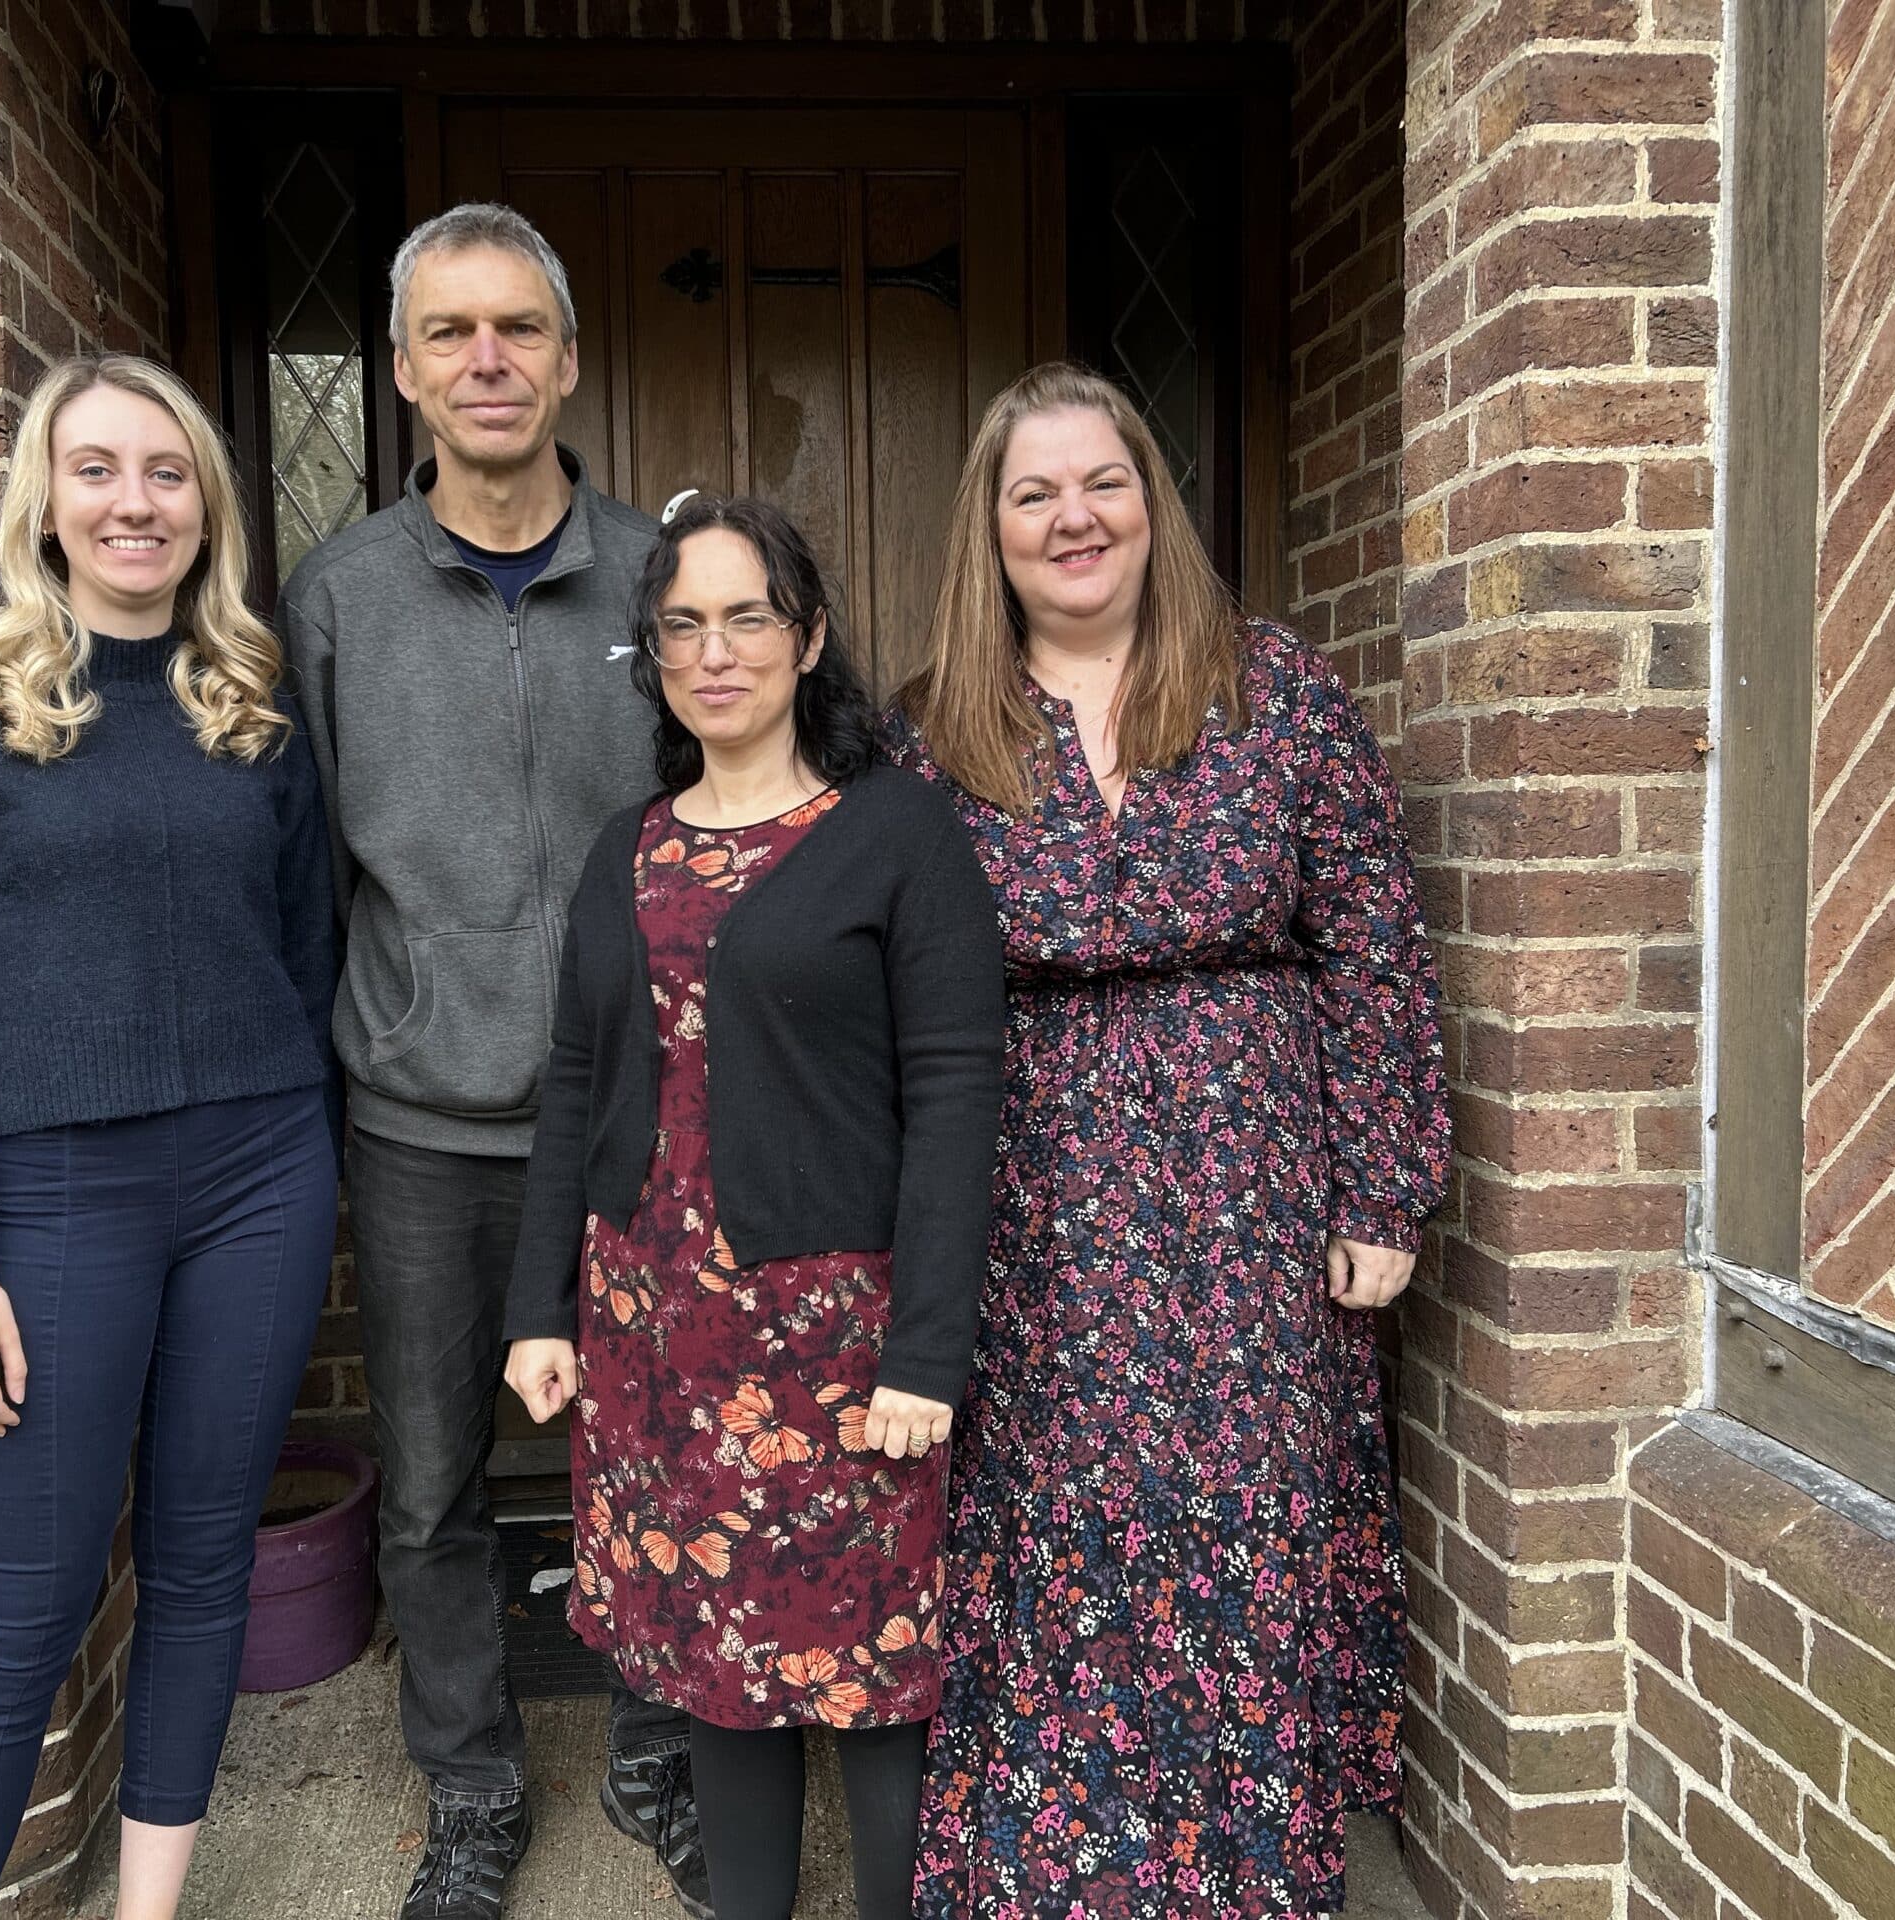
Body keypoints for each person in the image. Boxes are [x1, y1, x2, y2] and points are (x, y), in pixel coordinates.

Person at [886, 363, 1452, 1920]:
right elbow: (866, 975)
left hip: (1252, 1182)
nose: (1076, 516)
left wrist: (1386, 1181)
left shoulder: (1278, 690)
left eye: (1103, 482)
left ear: (1153, 501)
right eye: (1034, 493)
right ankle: (1054, 1865)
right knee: (1062, 1500)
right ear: (989, 536)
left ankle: (1247, 1862)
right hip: (1034, 1193)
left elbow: (1376, 943)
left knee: (1250, 1496)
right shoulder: (933, 733)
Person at [0, 353, 342, 1920]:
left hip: (261, 1177)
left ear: (205, 506)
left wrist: (301, 1138)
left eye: (168, 472)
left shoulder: (254, 713)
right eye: (98, 470)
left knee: (202, 1564)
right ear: (44, 503)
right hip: (57, 1199)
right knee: (26, 1601)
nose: (135, 501)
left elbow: (308, 950)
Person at [280, 203, 707, 1920]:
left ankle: (664, 1744)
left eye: (518, 329)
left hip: (648, 1109)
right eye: (451, 334)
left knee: (666, 1448)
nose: (487, 361)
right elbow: (303, 870)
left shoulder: (663, 581)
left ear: (571, 359)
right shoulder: (341, 595)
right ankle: (467, 1783)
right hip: (423, 1122)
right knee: (441, 1468)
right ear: (400, 372)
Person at [504, 496, 1005, 1920]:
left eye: (748, 618)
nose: (714, 651)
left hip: (838, 1334)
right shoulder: (630, 849)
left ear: (810, 639)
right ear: (652, 652)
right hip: (659, 1331)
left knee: (870, 1665)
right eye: (682, 624)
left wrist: (927, 1349)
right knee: (720, 1656)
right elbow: (577, 1076)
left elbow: (959, 1094)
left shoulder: (897, 832)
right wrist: (542, 1307)